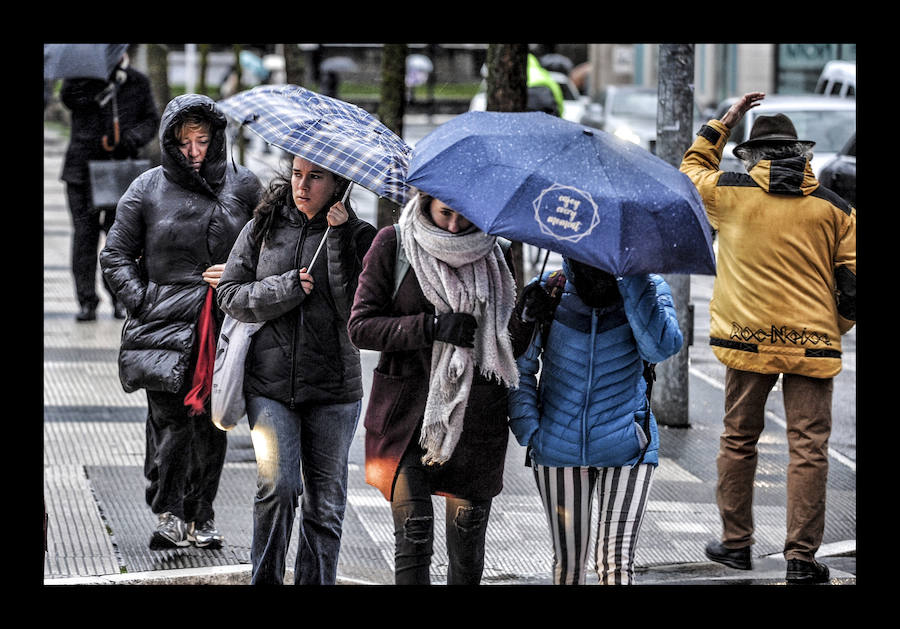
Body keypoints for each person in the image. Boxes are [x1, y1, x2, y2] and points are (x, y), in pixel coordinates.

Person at [679, 92, 856, 584]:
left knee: (738, 439)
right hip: (813, 345)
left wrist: (725, 122)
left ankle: (736, 544)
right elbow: (854, 287)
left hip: (745, 341)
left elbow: (689, 169)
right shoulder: (836, 209)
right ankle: (800, 558)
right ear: (802, 154)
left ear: (751, 155)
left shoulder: (728, 193)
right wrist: (830, 324)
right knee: (809, 448)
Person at [100, 94, 262, 551]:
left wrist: (237, 275)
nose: (194, 151)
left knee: (212, 423)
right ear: (170, 141)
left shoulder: (244, 185)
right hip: (162, 326)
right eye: (184, 141)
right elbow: (114, 255)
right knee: (170, 423)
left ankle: (201, 514)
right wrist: (143, 298)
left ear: (215, 139)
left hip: (221, 325)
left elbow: (268, 247)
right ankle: (168, 509)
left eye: (202, 140)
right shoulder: (147, 188)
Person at [347, 192, 523, 585]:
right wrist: (430, 327)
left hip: (475, 420)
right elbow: (360, 327)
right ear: (426, 202)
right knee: (414, 537)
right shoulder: (395, 243)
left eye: (465, 217)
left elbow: (505, 346)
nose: (455, 226)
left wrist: (529, 316)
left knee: (467, 552)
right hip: (407, 421)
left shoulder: (499, 251)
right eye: (446, 213)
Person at [216, 155, 377, 585]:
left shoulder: (362, 237)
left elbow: (357, 316)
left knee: (325, 506)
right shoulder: (265, 226)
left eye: (315, 177)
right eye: (296, 174)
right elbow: (229, 293)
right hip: (269, 385)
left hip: (334, 391)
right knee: (279, 488)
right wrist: (283, 288)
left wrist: (339, 240)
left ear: (339, 184)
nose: (301, 186)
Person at [508, 259, 683, 584]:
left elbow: (661, 348)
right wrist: (531, 430)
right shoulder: (551, 287)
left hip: (629, 446)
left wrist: (634, 282)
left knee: (616, 567)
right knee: (569, 568)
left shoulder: (648, 285)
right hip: (558, 447)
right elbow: (520, 365)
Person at [61, 50, 159, 322]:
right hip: (81, 172)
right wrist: (95, 83)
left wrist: (131, 138)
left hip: (121, 172)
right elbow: (68, 99)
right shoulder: (80, 77)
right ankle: (86, 300)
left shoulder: (137, 81)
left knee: (120, 240)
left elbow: (151, 120)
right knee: (84, 237)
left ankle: (119, 298)